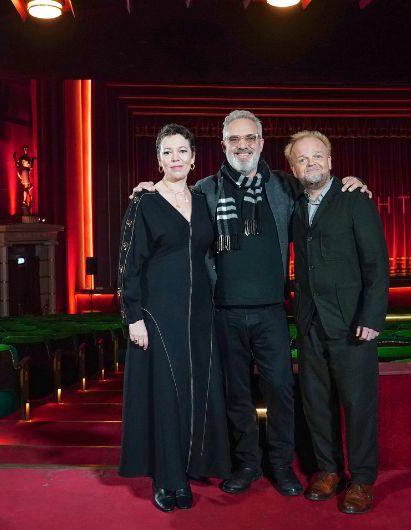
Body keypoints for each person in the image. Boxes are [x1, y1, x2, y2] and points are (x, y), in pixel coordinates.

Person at [132, 110, 370, 498]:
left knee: (280, 391)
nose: (243, 146)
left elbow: (319, 186)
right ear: (223, 145)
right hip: (223, 312)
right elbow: (170, 201)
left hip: (272, 312)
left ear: (261, 143)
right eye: (234, 140)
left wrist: (352, 183)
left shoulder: (284, 186)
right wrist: (148, 189)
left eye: (250, 138)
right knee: (236, 394)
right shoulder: (204, 191)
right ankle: (247, 463)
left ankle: (280, 465)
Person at [117, 124, 232, 513]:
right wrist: (133, 317)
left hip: (199, 312)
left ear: (195, 157)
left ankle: (193, 463)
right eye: (168, 152)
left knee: (198, 390)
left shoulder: (203, 202)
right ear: (159, 159)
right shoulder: (144, 203)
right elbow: (128, 265)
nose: (176, 158)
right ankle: (168, 479)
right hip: (158, 313)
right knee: (166, 395)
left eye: (183, 151)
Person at [287, 130, 389, 514]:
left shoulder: (354, 200)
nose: (310, 163)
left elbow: (377, 263)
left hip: (352, 324)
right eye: (302, 158)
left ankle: (362, 480)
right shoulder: (295, 204)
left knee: (358, 404)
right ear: (293, 167)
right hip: (311, 322)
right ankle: (328, 470)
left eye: (317, 156)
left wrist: (372, 315)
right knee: (316, 403)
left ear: (330, 161)